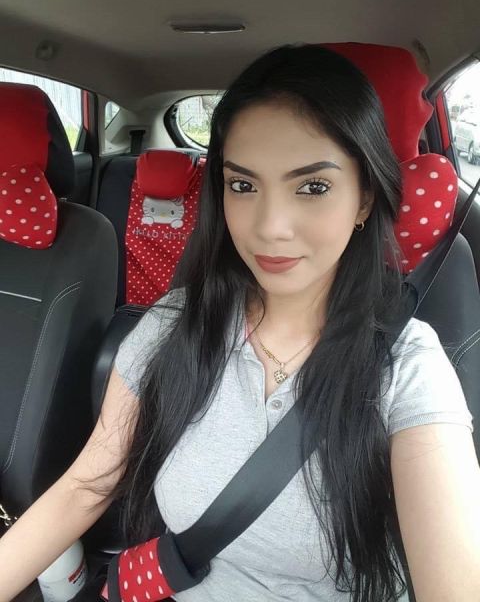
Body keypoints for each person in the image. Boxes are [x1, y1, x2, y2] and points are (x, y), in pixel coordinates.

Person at [0, 44, 477, 602]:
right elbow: (86, 487)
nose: (270, 227)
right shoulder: (172, 326)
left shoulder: (408, 368)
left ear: (365, 200)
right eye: (243, 185)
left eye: (313, 187)